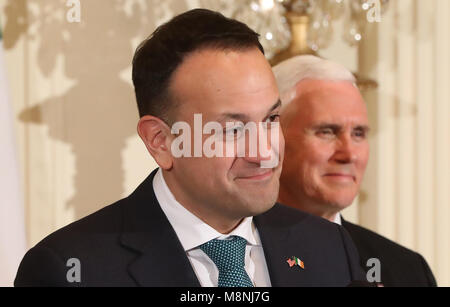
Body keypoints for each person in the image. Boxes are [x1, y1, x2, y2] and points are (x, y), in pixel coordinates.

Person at [15, 10, 365, 287]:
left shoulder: (329, 247)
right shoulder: (71, 270)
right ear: (161, 142)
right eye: (232, 129)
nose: (264, 152)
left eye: (271, 119)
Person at [273, 55, 437, 287]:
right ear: (273, 138)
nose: (349, 154)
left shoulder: (406, 269)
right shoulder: (232, 256)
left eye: (358, 134)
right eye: (327, 131)